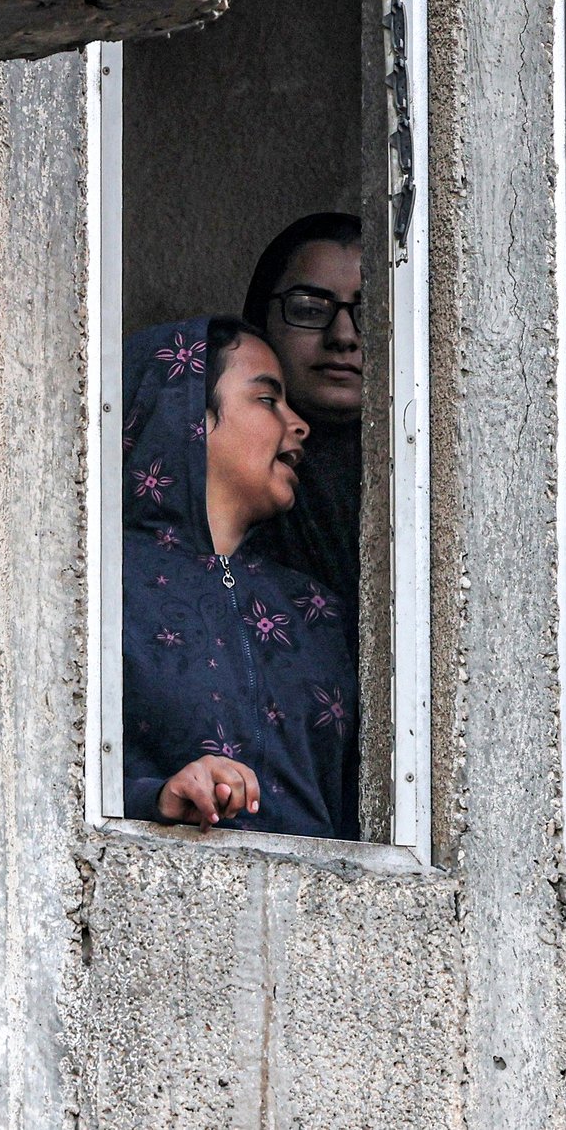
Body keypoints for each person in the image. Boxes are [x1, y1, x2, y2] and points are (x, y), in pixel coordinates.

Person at [120, 315, 359, 840]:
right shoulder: (102, 586)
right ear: (187, 415)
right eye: (267, 399)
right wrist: (154, 798)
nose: (299, 424)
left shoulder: (314, 609)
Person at [242, 213, 364, 614]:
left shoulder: (422, 469)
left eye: (371, 311)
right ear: (260, 323)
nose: (343, 337)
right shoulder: (219, 470)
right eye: (310, 309)